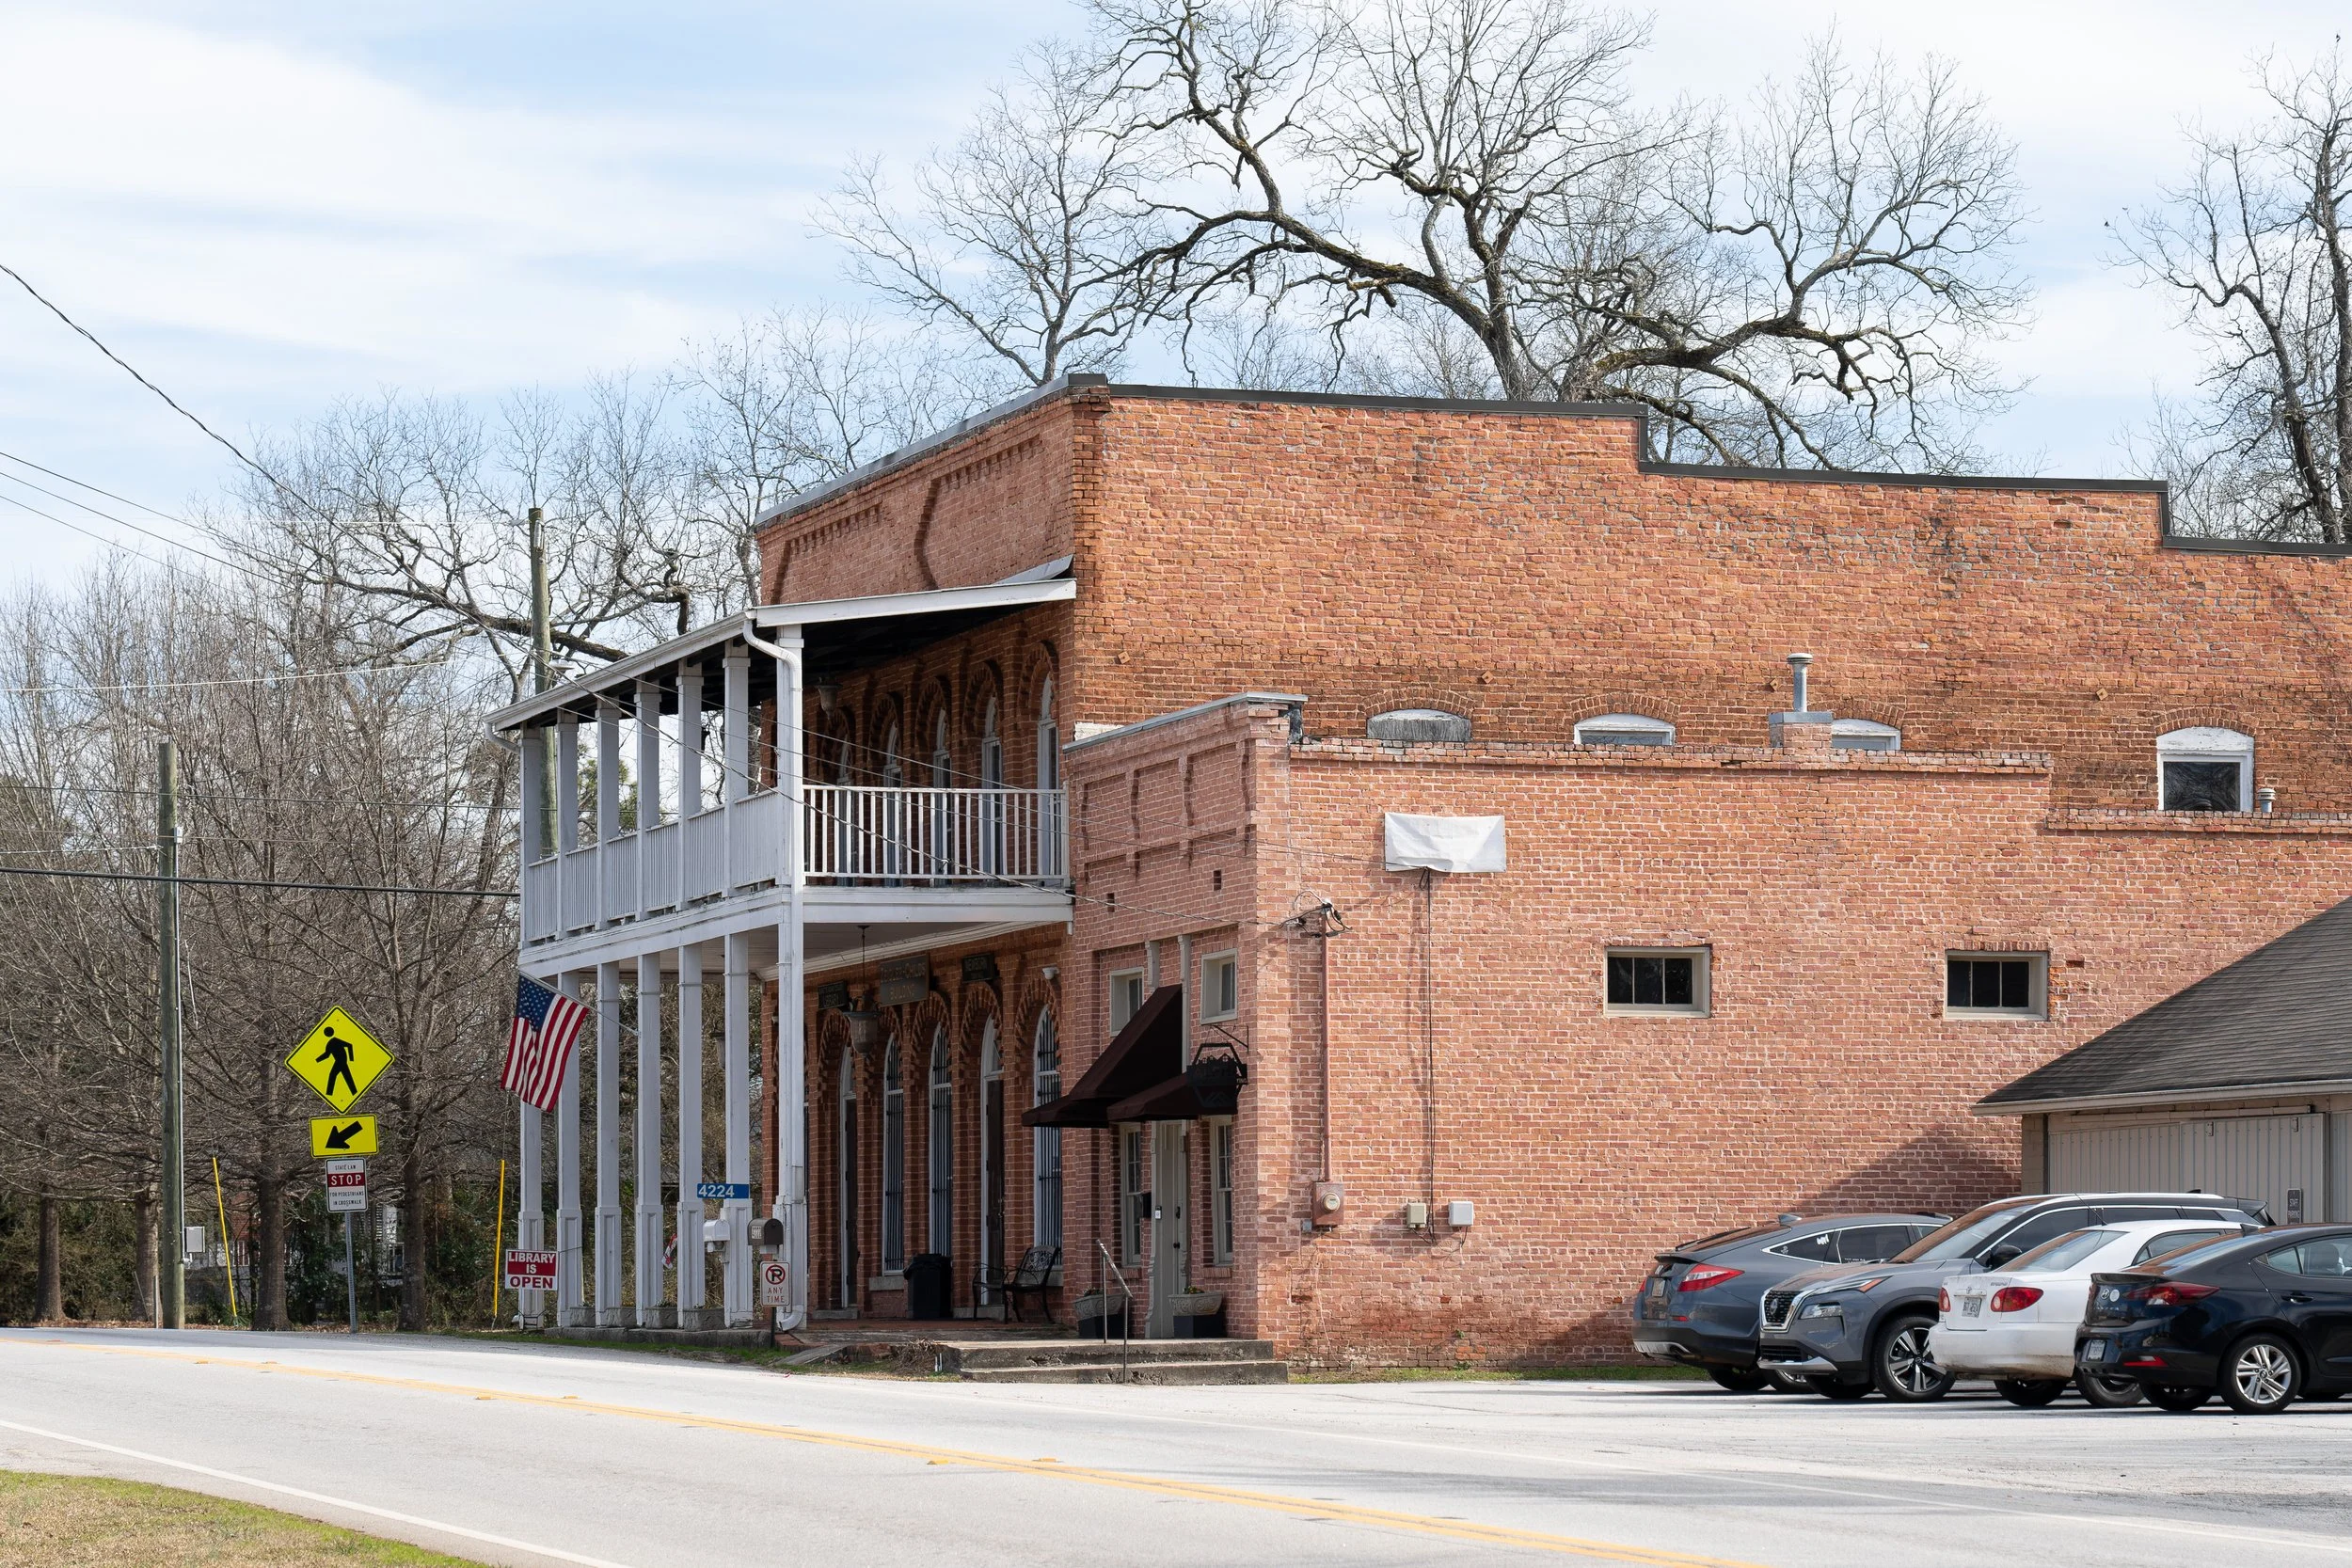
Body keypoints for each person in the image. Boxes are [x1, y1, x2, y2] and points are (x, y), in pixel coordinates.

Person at [318, 1026, 358, 1100]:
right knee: (347, 1077)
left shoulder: (335, 1041)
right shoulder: (330, 1043)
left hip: (341, 1061)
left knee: (333, 1075)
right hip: (340, 1061)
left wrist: (351, 1059)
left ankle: (329, 1094)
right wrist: (317, 1060)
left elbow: (349, 1045)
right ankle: (354, 1092)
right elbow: (327, 1055)